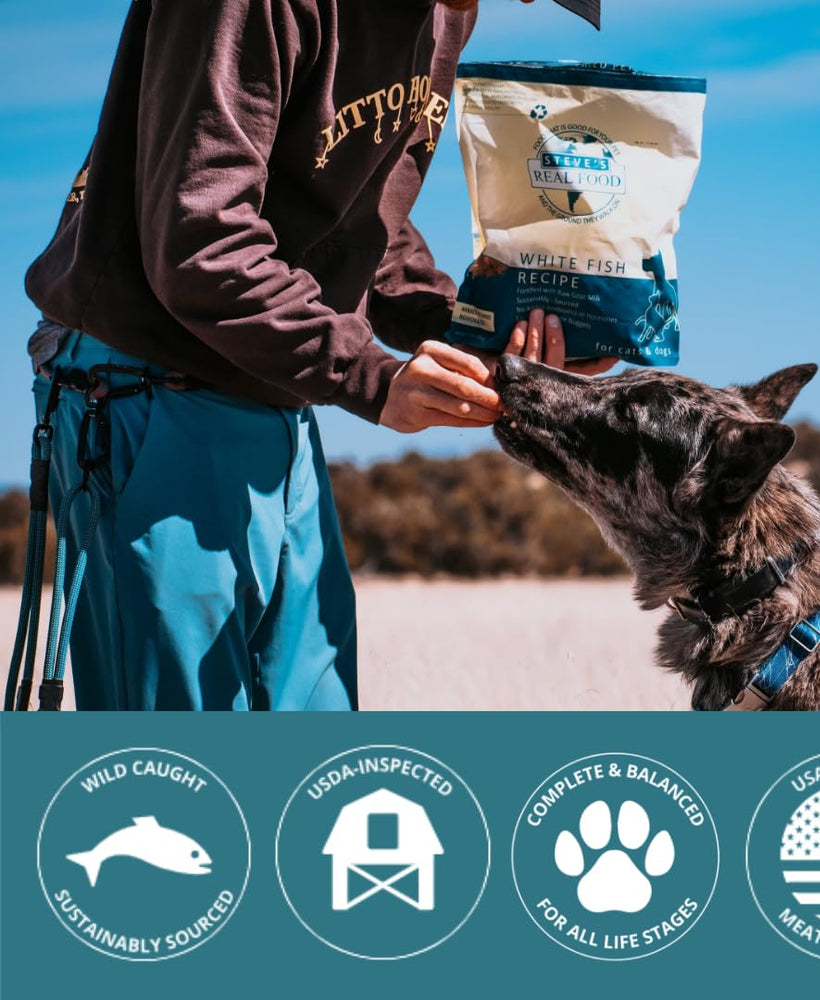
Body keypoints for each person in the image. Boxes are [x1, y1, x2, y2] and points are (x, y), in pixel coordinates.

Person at [19, 0, 607, 711]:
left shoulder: (447, 11)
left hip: (282, 401)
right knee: (180, 785)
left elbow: (367, 218)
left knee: (320, 765)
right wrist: (371, 377)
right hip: (146, 391)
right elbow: (201, 243)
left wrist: (480, 337)